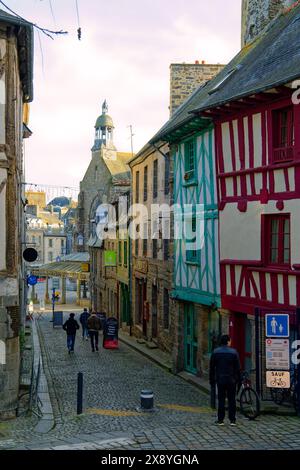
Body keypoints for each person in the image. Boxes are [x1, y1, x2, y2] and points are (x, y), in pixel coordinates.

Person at [209, 334, 241, 426]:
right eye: (230, 340)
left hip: (220, 379)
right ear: (228, 341)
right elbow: (238, 368)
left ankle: (220, 419)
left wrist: (212, 380)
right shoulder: (234, 352)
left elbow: (212, 368)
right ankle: (232, 420)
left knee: (221, 399)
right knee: (232, 400)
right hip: (231, 379)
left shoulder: (215, 352)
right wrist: (238, 379)